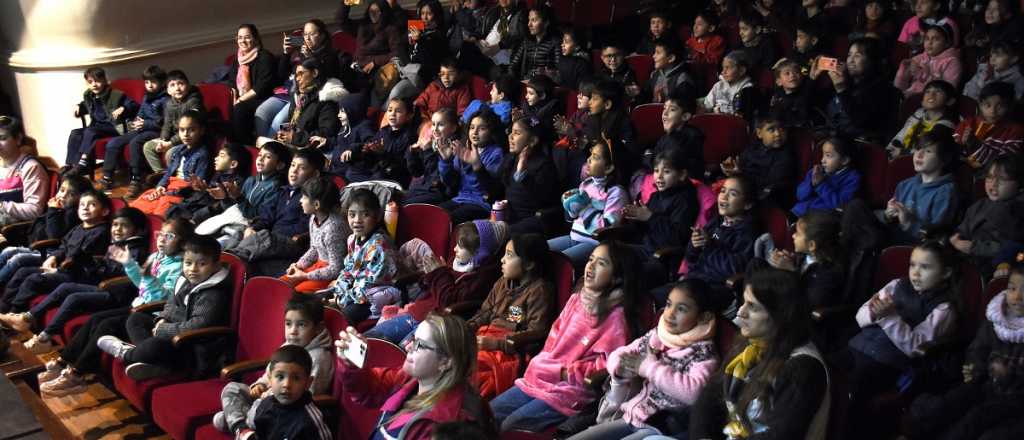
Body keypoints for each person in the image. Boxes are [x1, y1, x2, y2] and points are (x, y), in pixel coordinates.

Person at [489, 241, 636, 432]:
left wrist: (566, 373)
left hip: (570, 390)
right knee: (489, 413)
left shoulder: (616, 318)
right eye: (591, 259)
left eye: (601, 263)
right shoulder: (576, 299)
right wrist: (546, 363)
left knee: (511, 426)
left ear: (617, 277)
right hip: (542, 376)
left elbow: (608, 364)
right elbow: (554, 336)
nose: (590, 265)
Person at [36, 217, 192, 396]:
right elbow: (142, 285)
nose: (162, 239)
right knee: (96, 318)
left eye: (169, 236)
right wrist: (130, 265)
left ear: (183, 242)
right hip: (140, 305)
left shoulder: (181, 266)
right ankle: (63, 362)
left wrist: (148, 279)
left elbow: (165, 298)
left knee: (106, 325)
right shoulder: (157, 256)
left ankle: (76, 375)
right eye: (160, 234)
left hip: (152, 314)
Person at [568, 280, 720, 440]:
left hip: (661, 427)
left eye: (681, 309)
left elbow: (694, 393)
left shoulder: (703, 353)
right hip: (632, 417)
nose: (670, 313)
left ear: (704, 318)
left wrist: (649, 368)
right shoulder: (659, 336)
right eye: (668, 305)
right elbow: (621, 354)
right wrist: (621, 367)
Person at [689, 268, 830, 440]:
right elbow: (710, 396)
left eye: (753, 307)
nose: (740, 313)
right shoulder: (749, 344)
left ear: (781, 315)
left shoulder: (803, 367)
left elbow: (781, 436)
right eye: (744, 302)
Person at [842, 240, 958, 437]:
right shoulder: (897, 285)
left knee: (849, 391)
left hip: (888, 363)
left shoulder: (944, 308)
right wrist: (874, 314)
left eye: (925, 267)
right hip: (858, 347)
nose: (916, 273)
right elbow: (860, 315)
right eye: (913, 265)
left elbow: (915, 346)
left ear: (946, 273)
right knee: (824, 370)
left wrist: (888, 317)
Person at [902, 262, 1024, 439]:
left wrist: (1010, 373)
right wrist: (973, 368)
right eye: (1012, 288)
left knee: (976, 420)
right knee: (946, 405)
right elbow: (978, 349)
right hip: (985, 385)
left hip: (1016, 400)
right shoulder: (997, 319)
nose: (1017, 296)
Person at [8, 207, 148, 354]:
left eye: (124, 226)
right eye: (115, 224)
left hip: (116, 293)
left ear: (137, 230)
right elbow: (105, 266)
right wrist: (87, 261)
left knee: (74, 297)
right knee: (64, 287)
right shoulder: (120, 244)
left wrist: (92, 264)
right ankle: (27, 317)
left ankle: (44, 338)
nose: (117, 229)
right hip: (102, 285)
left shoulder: (135, 250)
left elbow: (119, 274)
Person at [335, 313, 494, 439]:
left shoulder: (444, 428)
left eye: (420, 344)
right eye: (413, 339)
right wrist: (352, 364)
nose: (409, 346)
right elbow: (369, 389)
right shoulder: (411, 379)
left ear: (445, 362)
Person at [97, 235, 231, 380]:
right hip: (174, 333)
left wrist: (163, 329)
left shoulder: (214, 294)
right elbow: (171, 303)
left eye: (202, 264)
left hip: (192, 348)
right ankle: (154, 363)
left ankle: (127, 354)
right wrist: (163, 318)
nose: (193, 269)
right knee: (136, 319)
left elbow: (198, 325)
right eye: (188, 263)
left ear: (216, 265)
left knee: (155, 345)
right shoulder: (185, 279)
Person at [365, 220, 508, 344]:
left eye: (461, 246)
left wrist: (438, 273)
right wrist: (430, 274)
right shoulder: (458, 262)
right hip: (418, 312)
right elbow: (428, 286)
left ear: (479, 252)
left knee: (399, 352)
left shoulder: (482, 278)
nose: (454, 249)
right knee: (369, 339)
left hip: (436, 324)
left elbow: (449, 300)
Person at [213, 295, 334, 437]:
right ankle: (241, 428)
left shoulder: (319, 358)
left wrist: (270, 395)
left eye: (301, 324)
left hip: (285, 407)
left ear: (318, 328)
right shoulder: (289, 345)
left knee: (221, 419)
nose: (293, 331)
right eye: (288, 324)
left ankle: (237, 422)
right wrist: (260, 385)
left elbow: (308, 394)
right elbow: (271, 373)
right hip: (266, 399)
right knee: (232, 388)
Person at [469, 233, 555, 399]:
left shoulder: (540, 290)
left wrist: (497, 344)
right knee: (449, 352)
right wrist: (465, 328)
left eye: (509, 255)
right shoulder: (503, 282)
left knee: (469, 370)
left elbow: (536, 334)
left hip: (508, 350)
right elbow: (484, 314)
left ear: (529, 264)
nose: (502, 260)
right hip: (484, 338)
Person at [0, 190, 112, 314]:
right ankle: (3, 307)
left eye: (92, 205)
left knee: (33, 279)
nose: (85, 208)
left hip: (77, 274)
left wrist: (58, 270)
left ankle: (15, 312)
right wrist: (53, 257)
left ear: (105, 211)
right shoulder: (79, 227)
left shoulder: (102, 232)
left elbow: (82, 259)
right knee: (22, 272)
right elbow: (63, 245)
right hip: (62, 267)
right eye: (82, 204)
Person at [224, 148, 322, 264]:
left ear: (315, 174)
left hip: (291, 242)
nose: (294, 171)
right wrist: (254, 228)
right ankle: (224, 255)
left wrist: (270, 233)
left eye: (302, 168)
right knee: (242, 231)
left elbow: (305, 226)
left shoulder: (311, 200)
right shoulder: (283, 192)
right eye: (293, 165)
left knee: (264, 236)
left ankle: (232, 260)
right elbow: (266, 216)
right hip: (271, 238)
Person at [257, 19, 343, 138]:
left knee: (278, 121)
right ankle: (264, 148)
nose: (307, 38)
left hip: (306, 96)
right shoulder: (299, 52)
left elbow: (325, 78)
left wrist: (311, 57)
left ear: (322, 36)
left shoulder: (331, 55)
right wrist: (286, 54)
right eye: (305, 34)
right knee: (261, 112)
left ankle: (273, 150)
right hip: (287, 92)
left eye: (312, 34)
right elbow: (281, 75)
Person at [548, 139, 627, 268]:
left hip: (594, 244)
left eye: (595, 157)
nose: (589, 160)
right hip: (573, 237)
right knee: (539, 251)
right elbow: (572, 218)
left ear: (608, 168)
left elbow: (608, 227)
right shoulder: (586, 184)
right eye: (590, 155)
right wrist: (569, 204)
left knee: (559, 262)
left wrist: (584, 208)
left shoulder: (616, 192)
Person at [682, 175, 758, 309]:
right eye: (723, 191)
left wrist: (709, 246)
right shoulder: (715, 222)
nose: (724, 196)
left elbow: (734, 269)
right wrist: (695, 245)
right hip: (695, 279)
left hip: (716, 288)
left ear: (748, 204)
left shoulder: (747, 233)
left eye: (733, 193)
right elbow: (691, 259)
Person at [0, 175, 89, 286]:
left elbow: (54, 235)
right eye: (61, 190)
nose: (63, 196)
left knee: (17, 259)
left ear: (81, 198)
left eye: (71, 194)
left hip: (50, 253)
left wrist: (53, 210)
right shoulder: (60, 208)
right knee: (8, 251)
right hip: (36, 246)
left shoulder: (73, 213)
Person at [196, 141, 288, 247]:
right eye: (259, 155)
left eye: (267, 157)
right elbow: (237, 207)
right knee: (200, 236)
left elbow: (257, 215)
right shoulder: (250, 180)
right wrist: (225, 198)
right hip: (233, 219)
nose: (260, 159)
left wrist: (238, 197)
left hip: (247, 227)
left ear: (280, 165)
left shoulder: (276, 187)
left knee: (214, 245)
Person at [480, 117, 560, 235]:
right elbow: (495, 189)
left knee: (494, 235)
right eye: (511, 132)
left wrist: (522, 175)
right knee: (474, 230)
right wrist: (477, 167)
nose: (510, 137)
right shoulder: (511, 158)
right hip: (507, 215)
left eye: (516, 133)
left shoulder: (544, 164)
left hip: (531, 220)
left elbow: (541, 199)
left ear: (532, 140)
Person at [331, 188, 398, 324]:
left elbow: (368, 285)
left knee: (343, 317)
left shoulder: (379, 245)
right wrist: (339, 290)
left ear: (378, 216)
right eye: (352, 214)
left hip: (373, 296)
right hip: (354, 292)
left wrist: (341, 300)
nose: (357, 220)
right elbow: (348, 270)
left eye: (365, 214)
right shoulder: (352, 239)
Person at [950, 155, 1024, 275]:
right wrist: (956, 239)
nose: (994, 184)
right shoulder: (979, 205)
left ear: (1019, 184)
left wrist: (973, 248)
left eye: (1002, 179)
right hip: (964, 260)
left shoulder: (1017, 210)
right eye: (990, 177)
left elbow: (1013, 248)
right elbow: (963, 230)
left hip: (995, 267)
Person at [98, 65, 169, 191]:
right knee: (114, 143)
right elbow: (141, 112)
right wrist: (136, 121)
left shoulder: (166, 99)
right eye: (147, 82)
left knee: (135, 143)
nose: (150, 85)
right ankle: (107, 176)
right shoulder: (147, 97)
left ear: (162, 82)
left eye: (153, 82)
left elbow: (165, 122)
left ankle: (136, 178)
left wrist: (146, 124)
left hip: (156, 131)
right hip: (141, 128)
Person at [130, 110, 212, 216]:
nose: (186, 134)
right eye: (182, 130)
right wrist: (161, 187)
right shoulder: (178, 151)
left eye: (191, 130)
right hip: (169, 186)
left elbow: (196, 186)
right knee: (139, 205)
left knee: (160, 213)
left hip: (182, 192)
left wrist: (169, 192)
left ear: (201, 130)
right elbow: (168, 173)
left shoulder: (203, 154)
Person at [882, 132, 960, 243]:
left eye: (928, 151)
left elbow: (936, 237)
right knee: (858, 209)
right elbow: (893, 222)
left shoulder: (946, 192)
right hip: (894, 237)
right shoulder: (905, 184)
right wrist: (889, 215)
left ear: (944, 159)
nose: (919, 154)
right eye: (918, 149)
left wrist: (908, 223)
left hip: (919, 246)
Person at [818, 37, 899, 142]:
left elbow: (860, 121)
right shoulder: (846, 80)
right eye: (849, 55)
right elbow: (817, 106)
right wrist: (812, 79)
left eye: (857, 56)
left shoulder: (882, 89)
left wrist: (841, 89)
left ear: (872, 60)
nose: (850, 61)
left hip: (858, 144)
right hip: (833, 139)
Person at [138, 70, 203, 197]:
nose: (177, 88)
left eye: (181, 84)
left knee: (170, 153)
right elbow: (167, 124)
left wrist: (169, 144)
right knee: (148, 147)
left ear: (188, 86)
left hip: (190, 138)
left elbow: (189, 129)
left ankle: (175, 180)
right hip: (174, 137)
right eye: (172, 85)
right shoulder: (169, 103)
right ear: (167, 90)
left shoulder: (194, 101)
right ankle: (162, 174)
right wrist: (163, 140)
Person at [64, 67, 136, 178]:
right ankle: (71, 165)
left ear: (104, 80)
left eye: (97, 81)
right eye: (90, 82)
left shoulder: (115, 94)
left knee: (91, 131)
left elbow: (133, 105)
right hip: (97, 127)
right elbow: (86, 105)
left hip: (113, 127)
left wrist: (123, 108)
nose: (94, 85)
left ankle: (83, 163)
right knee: (75, 133)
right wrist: (78, 106)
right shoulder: (89, 95)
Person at [438, 109, 505, 224]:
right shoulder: (464, 149)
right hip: (460, 199)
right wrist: (446, 161)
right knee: (434, 213)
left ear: (492, 131)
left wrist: (476, 164)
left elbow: (487, 189)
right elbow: (450, 182)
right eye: (472, 127)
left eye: (482, 128)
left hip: (481, 204)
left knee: (448, 220)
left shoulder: (496, 153)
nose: (475, 132)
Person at [280, 177, 345, 293]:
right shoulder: (314, 218)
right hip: (317, 268)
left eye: (304, 197)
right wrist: (298, 266)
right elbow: (314, 249)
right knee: (280, 283)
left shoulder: (333, 228)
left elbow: (336, 268)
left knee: (294, 294)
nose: (300, 201)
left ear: (316, 204)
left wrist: (305, 275)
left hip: (329, 274)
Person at [338, 98, 416, 185]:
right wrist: (361, 149)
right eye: (390, 110)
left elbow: (404, 165)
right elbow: (370, 145)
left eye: (398, 111)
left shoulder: (408, 136)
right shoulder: (384, 131)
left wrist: (383, 154)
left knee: (378, 177)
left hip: (393, 175)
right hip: (377, 169)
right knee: (351, 172)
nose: (392, 114)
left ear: (409, 115)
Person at [721, 115, 797, 205]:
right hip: (743, 185)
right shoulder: (754, 147)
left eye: (782, 129)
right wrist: (731, 166)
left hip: (765, 195)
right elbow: (741, 163)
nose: (778, 133)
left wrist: (741, 173)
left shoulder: (785, 155)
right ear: (759, 133)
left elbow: (771, 183)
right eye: (771, 129)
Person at [271, 59, 345, 150]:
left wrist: (295, 138)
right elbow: (294, 123)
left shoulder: (327, 99)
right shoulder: (298, 96)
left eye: (301, 73)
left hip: (311, 151)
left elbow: (327, 133)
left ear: (314, 73)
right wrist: (284, 134)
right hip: (295, 144)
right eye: (296, 75)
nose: (297, 78)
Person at [229, 24, 279, 144]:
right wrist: (235, 96)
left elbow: (262, 86)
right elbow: (231, 81)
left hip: (263, 97)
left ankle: (245, 145)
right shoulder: (238, 59)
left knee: (239, 109)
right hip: (243, 97)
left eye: (247, 37)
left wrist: (241, 100)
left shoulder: (264, 57)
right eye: (240, 38)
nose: (243, 41)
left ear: (255, 38)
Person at [956, 81, 1024, 169]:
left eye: (1000, 106)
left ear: (1010, 106)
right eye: (987, 105)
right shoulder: (967, 123)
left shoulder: (1015, 131)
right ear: (980, 104)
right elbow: (952, 148)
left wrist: (976, 145)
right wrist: (963, 144)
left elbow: (1004, 162)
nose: (992, 111)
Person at [887, 80, 958, 158]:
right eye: (927, 91)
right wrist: (890, 149)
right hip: (901, 154)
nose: (931, 94)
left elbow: (929, 152)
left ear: (950, 101)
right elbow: (902, 135)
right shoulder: (919, 113)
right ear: (922, 100)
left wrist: (903, 153)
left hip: (922, 162)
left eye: (938, 91)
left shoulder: (947, 125)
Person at [792, 136, 861, 216]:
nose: (822, 160)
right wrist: (811, 184)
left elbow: (839, 205)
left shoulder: (852, 178)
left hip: (823, 218)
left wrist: (821, 185)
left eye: (828, 156)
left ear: (844, 160)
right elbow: (800, 196)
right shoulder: (816, 172)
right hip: (800, 211)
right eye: (823, 154)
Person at [894, 20, 962, 98]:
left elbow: (947, 91)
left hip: (930, 102)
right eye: (927, 38)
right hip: (909, 97)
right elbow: (900, 88)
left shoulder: (952, 62)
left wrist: (920, 74)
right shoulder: (919, 58)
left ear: (947, 43)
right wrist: (902, 72)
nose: (930, 42)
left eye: (935, 39)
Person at [0, 116, 48, 227]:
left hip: (17, 230)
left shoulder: (30, 167)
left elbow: (34, 210)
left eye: (2, 138)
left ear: (18, 139)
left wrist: (2, 206)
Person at [405, 107, 456, 205]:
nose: (435, 129)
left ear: (453, 128)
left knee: (406, 206)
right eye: (433, 124)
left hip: (441, 192)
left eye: (440, 125)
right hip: (426, 187)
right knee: (394, 201)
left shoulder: (454, 148)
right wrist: (412, 153)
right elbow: (417, 172)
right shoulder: (432, 143)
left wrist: (428, 152)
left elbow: (436, 180)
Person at [701, 51, 757, 120]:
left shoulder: (748, 90)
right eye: (723, 68)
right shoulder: (719, 85)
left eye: (727, 68)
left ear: (741, 71)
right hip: (715, 119)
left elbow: (742, 116)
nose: (723, 72)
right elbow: (707, 105)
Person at [509, 5, 560, 80]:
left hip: (543, 84)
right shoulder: (527, 41)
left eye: (534, 20)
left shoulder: (555, 43)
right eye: (529, 20)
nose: (529, 24)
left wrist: (545, 73)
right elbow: (513, 65)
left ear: (546, 23)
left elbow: (559, 72)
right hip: (525, 82)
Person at [767, 58, 813, 130]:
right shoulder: (777, 95)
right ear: (779, 82)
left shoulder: (806, 92)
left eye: (796, 72)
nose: (792, 75)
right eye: (787, 73)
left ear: (801, 77)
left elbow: (806, 71)